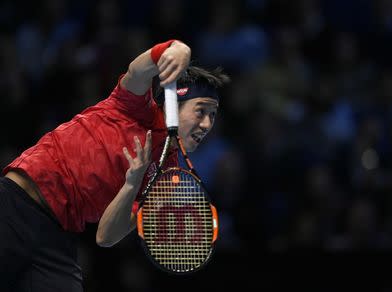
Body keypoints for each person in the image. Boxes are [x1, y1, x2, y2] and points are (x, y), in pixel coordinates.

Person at [0, 39, 230, 291]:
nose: (207, 124)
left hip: (56, 235)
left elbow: (106, 237)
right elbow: (137, 71)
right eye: (201, 111)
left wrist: (131, 184)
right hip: (15, 205)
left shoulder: (165, 176)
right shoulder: (133, 107)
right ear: (174, 104)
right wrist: (176, 48)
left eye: (213, 115)